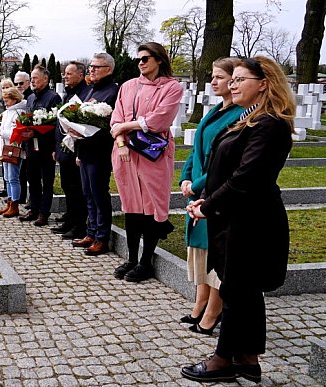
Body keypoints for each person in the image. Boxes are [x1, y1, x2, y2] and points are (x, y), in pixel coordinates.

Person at [181, 56, 294, 384]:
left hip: (252, 223)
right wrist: (208, 198)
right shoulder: (248, 118)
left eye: (240, 79)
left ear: (263, 83)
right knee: (244, 292)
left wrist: (207, 206)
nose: (232, 84)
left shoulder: (270, 124)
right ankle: (248, 359)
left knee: (236, 290)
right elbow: (224, 166)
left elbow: (247, 177)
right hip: (235, 218)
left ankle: (222, 360)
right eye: (233, 79)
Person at [178, 57, 244, 336]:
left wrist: (198, 184)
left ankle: (213, 310)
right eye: (213, 77)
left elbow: (225, 160)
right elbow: (197, 150)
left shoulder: (240, 114)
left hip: (216, 189)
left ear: (234, 79)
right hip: (200, 187)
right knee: (201, 250)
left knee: (214, 252)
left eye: (219, 77)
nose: (214, 82)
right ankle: (200, 302)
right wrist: (186, 176)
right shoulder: (216, 109)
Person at [109, 42, 182, 282]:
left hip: (154, 154)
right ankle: (131, 258)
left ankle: (146, 261)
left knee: (151, 205)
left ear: (159, 59)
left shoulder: (172, 87)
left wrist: (125, 126)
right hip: (125, 154)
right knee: (131, 205)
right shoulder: (128, 86)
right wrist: (120, 140)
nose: (140, 63)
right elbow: (116, 118)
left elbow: (159, 120)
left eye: (145, 58)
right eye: (138, 59)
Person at [67, 53, 119, 256]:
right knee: (87, 194)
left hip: (101, 152)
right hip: (86, 151)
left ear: (109, 69)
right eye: (91, 66)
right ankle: (91, 232)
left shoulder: (113, 92)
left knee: (99, 195)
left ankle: (102, 237)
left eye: (97, 67)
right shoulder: (91, 91)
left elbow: (110, 125)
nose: (92, 70)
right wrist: (78, 150)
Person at [19, 64, 62, 226]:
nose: (33, 81)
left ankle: (44, 213)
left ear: (45, 79)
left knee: (47, 181)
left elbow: (56, 124)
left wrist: (38, 133)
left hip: (46, 147)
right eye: (32, 78)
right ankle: (34, 209)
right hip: (31, 147)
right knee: (33, 179)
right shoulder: (30, 98)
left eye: (36, 78)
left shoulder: (53, 97)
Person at [51, 61, 88, 239]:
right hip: (64, 148)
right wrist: (56, 148)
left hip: (76, 150)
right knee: (67, 186)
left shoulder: (85, 93)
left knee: (77, 189)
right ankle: (70, 220)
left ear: (80, 75)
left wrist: (79, 152)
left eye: (69, 73)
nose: (65, 76)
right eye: (64, 74)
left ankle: (79, 225)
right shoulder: (68, 94)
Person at [0, 87, 27, 217]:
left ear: (15, 99)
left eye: (7, 100)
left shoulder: (18, 112)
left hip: (13, 149)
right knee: (7, 178)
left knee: (13, 178)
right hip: (5, 148)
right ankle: (9, 203)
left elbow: (15, 133)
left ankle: (15, 205)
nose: (5, 102)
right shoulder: (8, 112)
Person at [0, 78, 16, 198]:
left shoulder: (15, 105)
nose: (5, 89)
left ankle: (13, 196)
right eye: (3, 88)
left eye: (7, 87)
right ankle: (6, 188)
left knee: (12, 170)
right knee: (4, 165)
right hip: (1, 138)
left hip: (11, 140)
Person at [13, 71, 34, 207]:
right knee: (21, 171)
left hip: (31, 140)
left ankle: (31, 199)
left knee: (30, 172)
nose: (19, 86)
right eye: (16, 84)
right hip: (19, 140)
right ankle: (20, 196)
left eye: (21, 83)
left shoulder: (31, 97)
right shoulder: (18, 97)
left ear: (28, 82)